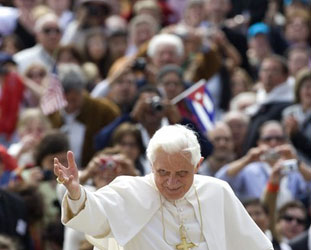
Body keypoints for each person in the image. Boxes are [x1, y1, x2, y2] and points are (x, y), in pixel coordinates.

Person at [54, 124, 273, 250]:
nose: (171, 182)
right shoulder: (130, 191)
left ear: (198, 165)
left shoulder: (217, 192)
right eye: (163, 172)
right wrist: (75, 192)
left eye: (181, 174)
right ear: (151, 165)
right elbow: (94, 214)